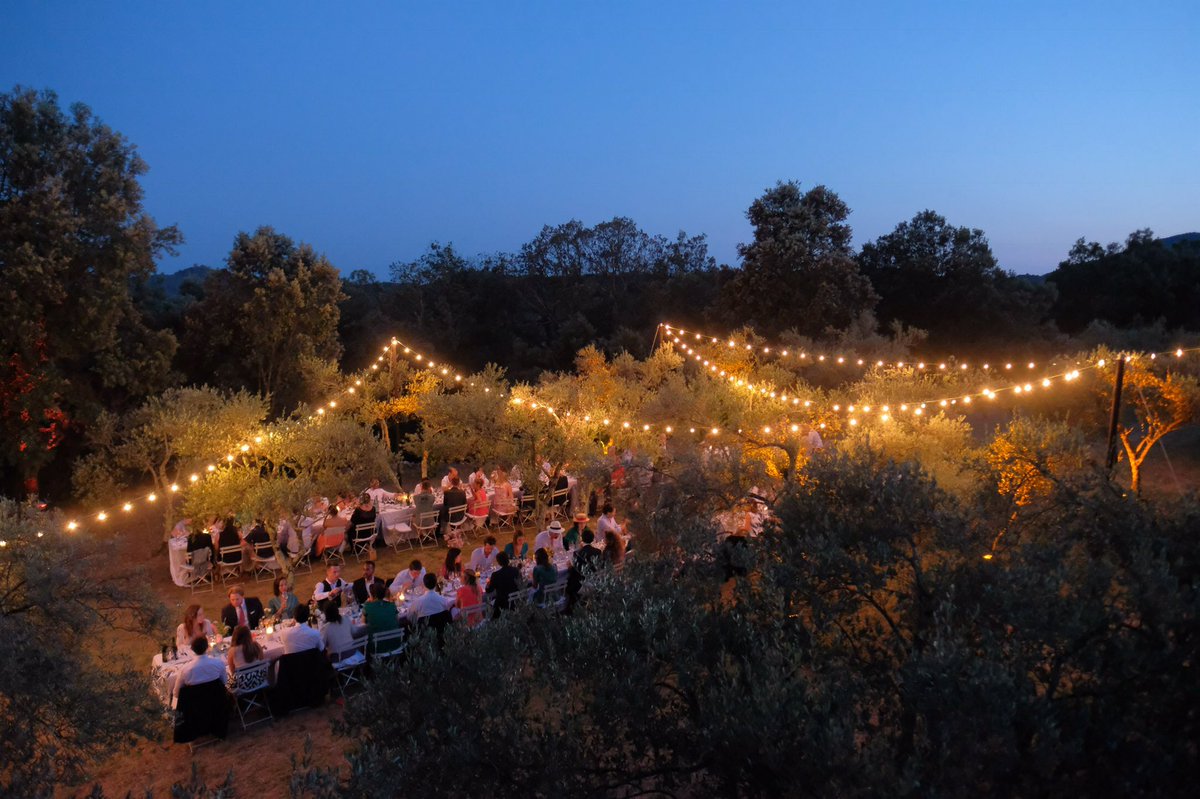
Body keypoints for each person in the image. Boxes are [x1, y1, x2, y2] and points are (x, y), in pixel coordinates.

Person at [172, 636, 226, 707]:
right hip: (215, 706)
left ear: (192, 649)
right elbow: (224, 682)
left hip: (194, 710)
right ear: (207, 647)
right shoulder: (218, 664)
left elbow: (176, 693)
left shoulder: (185, 670)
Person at [566, 529, 603, 613]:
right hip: (595, 582)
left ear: (582, 539)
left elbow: (577, 570)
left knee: (569, 582)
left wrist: (570, 567)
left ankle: (571, 607)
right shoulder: (598, 551)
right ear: (593, 539)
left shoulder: (578, 553)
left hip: (584, 584)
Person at [485, 551, 522, 619]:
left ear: (498, 562)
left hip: (501, 604)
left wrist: (488, 583)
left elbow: (489, 590)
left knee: (487, 601)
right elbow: (521, 583)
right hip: (515, 601)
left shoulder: (496, 575)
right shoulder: (516, 570)